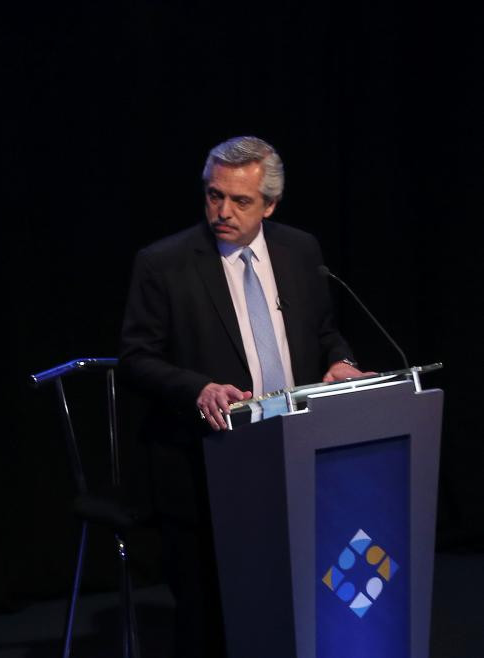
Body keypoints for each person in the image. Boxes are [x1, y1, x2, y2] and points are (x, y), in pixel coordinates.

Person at [118, 136, 363, 656]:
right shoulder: (163, 263)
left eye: (240, 201)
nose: (222, 211)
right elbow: (136, 359)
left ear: (270, 204)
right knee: (210, 621)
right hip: (206, 464)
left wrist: (342, 361)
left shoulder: (300, 250)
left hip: (295, 454)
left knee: (296, 603)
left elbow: (324, 333)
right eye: (213, 196)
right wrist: (198, 388)